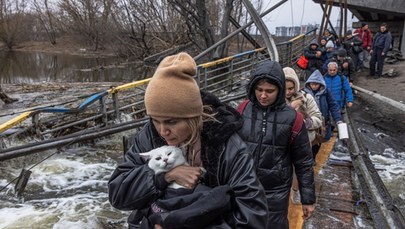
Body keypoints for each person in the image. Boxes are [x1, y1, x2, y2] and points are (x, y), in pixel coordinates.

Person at [108, 52, 269, 228]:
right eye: (155, 119)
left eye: (172, 121)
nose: (163, 131)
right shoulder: (149, 135)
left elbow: (253, 218)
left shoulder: (228, 146)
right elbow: (118, 195)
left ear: (193, 117)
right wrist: (164, 177)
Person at [238, 60, 316, 229]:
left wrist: (308, 199)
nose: (263, 96)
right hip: (243, 186)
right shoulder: (243, 109)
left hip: (275, 192)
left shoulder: (293, 119)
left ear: (279, 90)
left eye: (269, 91)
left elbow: (304, 162)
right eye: (259, 90)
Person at [283, 67, 323, 205]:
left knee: (298, 169)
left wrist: (306, 123)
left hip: (304, 141)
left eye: (291, 88)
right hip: (282, 143)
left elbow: (318, 118)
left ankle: (295, 190)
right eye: (285, 88)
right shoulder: (275, 101)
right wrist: (291, 108)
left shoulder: (307, 98)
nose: (288, 92)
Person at [303, 70, 343, 163]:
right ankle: (307, 158)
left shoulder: (326, 93)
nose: (314, 86)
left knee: (318, 140)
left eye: (316, 84)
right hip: (309, 121)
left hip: (322, 121)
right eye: (312, 84)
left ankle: (313, 158)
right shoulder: (304, 93)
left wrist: (338, 119)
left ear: (320, 84)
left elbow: (333, 105)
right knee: (307, 140)